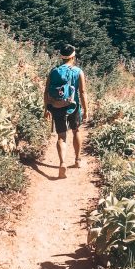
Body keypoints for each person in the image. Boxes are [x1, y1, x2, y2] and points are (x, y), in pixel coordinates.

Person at [44, 44, 89, 179]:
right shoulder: (78, 71)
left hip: (56, 106)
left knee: (61, 136)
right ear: (73, 56)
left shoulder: (54, 71)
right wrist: (86, 109)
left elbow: (46, 91)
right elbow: (82, 92)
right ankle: (77, 160)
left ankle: (62, 163)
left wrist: (46, 108)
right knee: (76, 131)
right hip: (73, 107)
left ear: (61, 57)